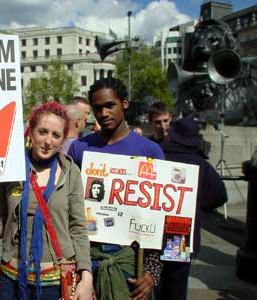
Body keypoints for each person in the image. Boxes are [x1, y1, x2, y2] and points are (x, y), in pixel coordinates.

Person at [0, 102, 93, 300]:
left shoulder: (71, 172)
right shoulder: (10, 170)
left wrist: (86, 277)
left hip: (53, 283)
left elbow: (78, 229)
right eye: (42, 132)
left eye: (56, 135)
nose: (48, 141)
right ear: (31, 132)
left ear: (62, 139)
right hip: (12, 280)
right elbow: (2, 225)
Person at [68, 77, 164, 300]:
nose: (103, 113)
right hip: (85, 258)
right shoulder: (79, 148)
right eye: (97, 108)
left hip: (131, 262)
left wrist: (152, 271)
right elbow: (66, 205)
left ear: (125, 103)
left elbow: (162, 218)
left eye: (110, 105)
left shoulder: (150, 151)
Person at [154, 116, 228, 300]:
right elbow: (219, 195)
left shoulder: (159, 155)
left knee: (154, 282)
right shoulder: (200, 162)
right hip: (181, 233)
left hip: (155, 233)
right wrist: (198, 205)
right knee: (177, 284)